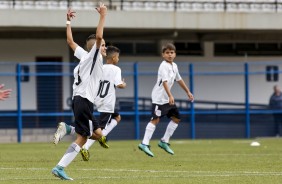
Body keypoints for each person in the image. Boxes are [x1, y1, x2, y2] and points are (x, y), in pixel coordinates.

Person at [51, 4, 108, 181]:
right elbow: (98, 36)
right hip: (84, 100)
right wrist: (103, 16)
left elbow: (70, 41)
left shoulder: (84, 55)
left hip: (82, 100)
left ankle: (69, 130)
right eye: (103, 45)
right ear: (96, 48)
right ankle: (60, 167)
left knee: (98, 135)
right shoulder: (94, 55)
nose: (104, 47)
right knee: (83, 138)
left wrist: (68, 20)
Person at [53, 46, 126, 162]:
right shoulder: (116, 69)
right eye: (118, 57)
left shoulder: (99, 66)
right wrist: (123, 84)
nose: (118, 59)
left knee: (116, 117)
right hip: (106, 103)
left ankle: (73, 133)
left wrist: (68, 26)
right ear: (113, 58)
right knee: (98, 133)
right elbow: (118, 84)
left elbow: (71, 42)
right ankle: (84, 145)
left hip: (94, 100)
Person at [138, 43, 194, 157]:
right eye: (167, 53)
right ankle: (144, 143)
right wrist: (170, 95)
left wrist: (188, 91)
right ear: (163, 55)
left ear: (175, 54)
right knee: (155, 120)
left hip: (167, 98)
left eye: (172, 52)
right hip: (159, 98)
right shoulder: (163, 66)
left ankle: (164, 141)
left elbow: (179, 79)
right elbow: (164, 82)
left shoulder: (174, 66)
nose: (170, 55)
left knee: (176, 118)